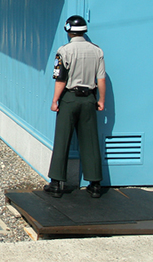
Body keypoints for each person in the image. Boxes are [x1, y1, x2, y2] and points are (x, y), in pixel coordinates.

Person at [44, 15, 106, 199]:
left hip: (70, 99)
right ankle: (95, 184)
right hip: (89, 99)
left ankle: (56, 183)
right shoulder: (97, 51)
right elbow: (100, 79)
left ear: (68, 30)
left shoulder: (64, 51)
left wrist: (55, 100)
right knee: (90, 140)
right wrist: (101, 99)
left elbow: (60, 78)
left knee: (62, 139)